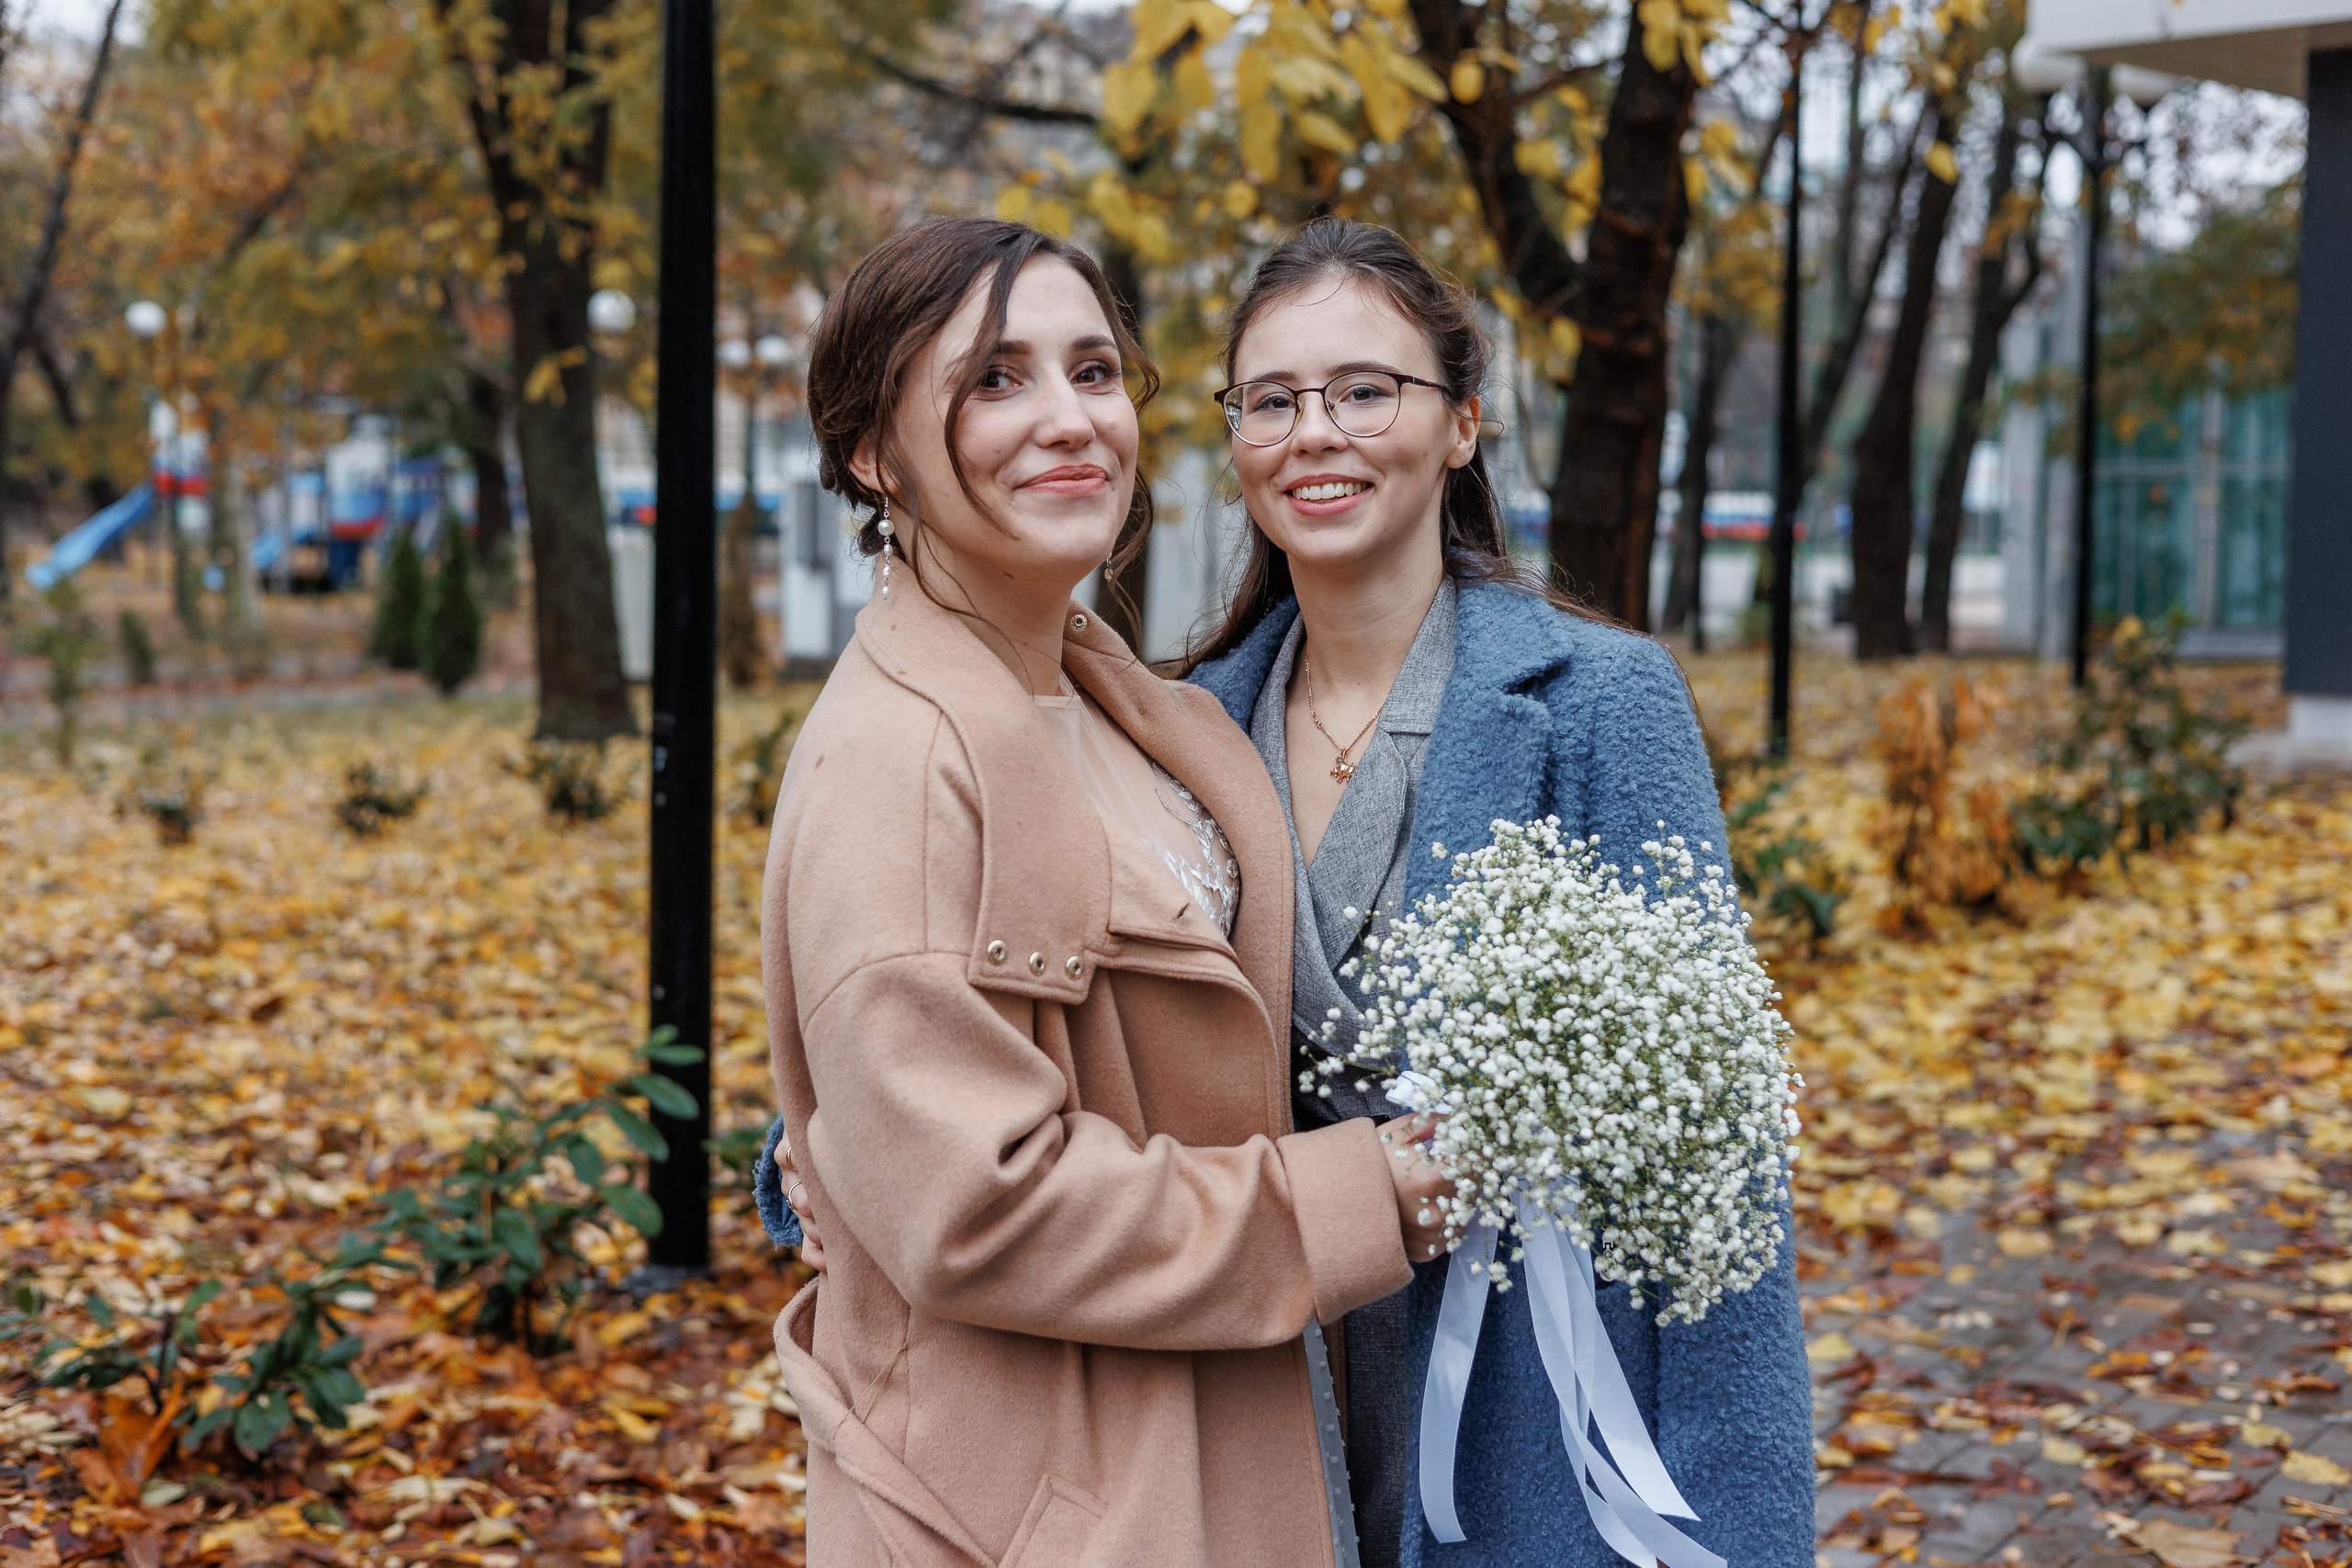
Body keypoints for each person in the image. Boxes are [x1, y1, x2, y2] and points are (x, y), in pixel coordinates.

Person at [752, 214, 1451, 1568]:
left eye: (1095, 370)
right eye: (995, 381)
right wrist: (1367, 1197)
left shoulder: (1115, 698)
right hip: (1041, 1498)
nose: (1071, 421)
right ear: (871, 453)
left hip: (1207, 1440)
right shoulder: (899, 759)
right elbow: (981, 1204)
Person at [1181, 218, 1815, 1568]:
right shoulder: (1181, 732)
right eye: (1272, 400)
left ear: (1462, 423)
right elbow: (1061, 1020)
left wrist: (1747, 1525)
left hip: (1540, 1417)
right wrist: (840, 1154)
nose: (1316, 434)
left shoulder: (1600, 704)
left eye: (1366, 390)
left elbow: (1712, 1153)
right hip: (1259, 1401)